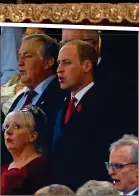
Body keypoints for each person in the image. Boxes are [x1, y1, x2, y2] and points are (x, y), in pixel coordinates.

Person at [52, 40, 114, 191]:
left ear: (86, 66)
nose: (59, 69)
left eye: (66, 63)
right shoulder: (62, 104)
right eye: (59, 63)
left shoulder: (106, 104)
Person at [2, 33, 65, 165]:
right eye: (19, 57)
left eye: (27, 56)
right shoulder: (20, 98)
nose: (20, 62)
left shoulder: (62, 95)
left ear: (48, 62)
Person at [1, 105, 51, 195]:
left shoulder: (40, 168)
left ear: (32, 136)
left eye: (17, 126)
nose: (8, 131)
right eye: (6, 126)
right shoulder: (3, 169)